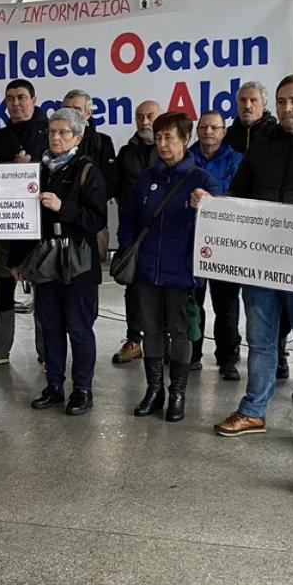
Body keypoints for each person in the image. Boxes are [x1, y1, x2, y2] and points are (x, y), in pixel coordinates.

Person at [213, 74, 293, 452]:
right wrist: (215, 206)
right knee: (259, 339)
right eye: (283, 101)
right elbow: (239, 191)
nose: (288, 109)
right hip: (261, 261)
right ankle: (253, 409)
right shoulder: (261, 146)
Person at [120, 111, 221, 422]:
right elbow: (128, 219)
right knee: (150, 329)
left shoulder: (201, 179)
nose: (162, 143)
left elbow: (220, 225)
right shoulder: (146, 178)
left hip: (182, 270)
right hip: (147, 269)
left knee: (179, 332)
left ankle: (177, 392)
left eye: (169, 137)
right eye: (159, 136)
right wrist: (128, 251)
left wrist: (206, 206)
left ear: (185, 140)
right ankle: (154, 390)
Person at [16, 107, 108, 416]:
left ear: (77, 137)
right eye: (51, 132)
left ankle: (82, 389)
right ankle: (54, 385)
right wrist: (18, 261)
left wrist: (62, 206)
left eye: (62, 132)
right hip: (44, 260)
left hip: (78, 262)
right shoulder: (37, 170)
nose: (55, 137)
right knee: (50, 327)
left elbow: (96, 220)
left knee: (79, 329)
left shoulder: (87, 171)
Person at [0, 79, 50, 367]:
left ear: (34, 99)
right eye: (10, 98)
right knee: (2, 286)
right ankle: (0, 350)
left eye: (21, 97)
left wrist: (31, 168)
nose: (15, 103)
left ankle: (47, 351)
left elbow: (58, 173)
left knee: (43, 290)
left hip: (41, 225)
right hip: (5, 224)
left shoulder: (51, 133)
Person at [188, 110, 243, 380]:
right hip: (190, 240)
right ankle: (192, 354)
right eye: (204, 127)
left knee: (227, 305)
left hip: (226, 241)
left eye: (214, 128)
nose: (208, 132)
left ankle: (228, 358)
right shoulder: (186, 158)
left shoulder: (237, 160)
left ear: (223, 131)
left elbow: (241, 194)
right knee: (192, 303)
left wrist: (209, 198)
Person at [111, 99, 161, 364]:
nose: (144, 121)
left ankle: (163, 341)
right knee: (132, 288)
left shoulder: (169, 149)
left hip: (164, 232)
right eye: (140, 116)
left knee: (163, 287)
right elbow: (117, 188)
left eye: (150, 116)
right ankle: (133, 340)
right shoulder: (126, 152)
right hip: (132, 230)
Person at [63, 89, 117, 202]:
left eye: (76, 109)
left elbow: (111, 183)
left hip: (91, 211)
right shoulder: (53, 141)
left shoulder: (103, 142)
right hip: (59, 210)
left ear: (88, 113)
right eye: (67, 109)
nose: (71, 114)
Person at [223, 81, 277, 154]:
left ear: (264, 105)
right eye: (243, 100)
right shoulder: (227, 136)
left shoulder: (276, 134)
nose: (247, 106)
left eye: (253, 100)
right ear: (237, 105)